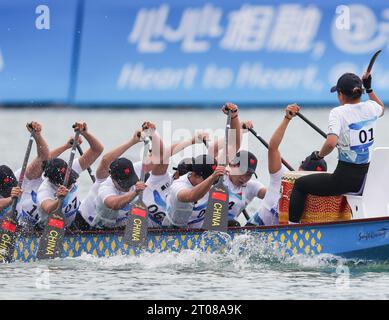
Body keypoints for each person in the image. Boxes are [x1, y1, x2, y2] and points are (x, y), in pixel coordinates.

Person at [288, 72, 385, 223]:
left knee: (300, 185)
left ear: (340, 94)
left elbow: (331, 143)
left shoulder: (338, 112)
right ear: (360, 92)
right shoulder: (371, 107)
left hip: (345, 181)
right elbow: (381, 108)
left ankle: (291, 230)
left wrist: (319, 156)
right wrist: (370, 88)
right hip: (367, 179)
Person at [77, 122, 209, 230]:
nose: (129, 185)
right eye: (125, 184)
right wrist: (132, 142)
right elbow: (113, 203)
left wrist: (153, 134)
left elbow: (162, 155)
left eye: (131, 181)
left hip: (117, 227)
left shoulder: (138, 170)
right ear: (113, 179)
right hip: (85, 224)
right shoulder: (105, 186)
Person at [247, 104, 327, 226]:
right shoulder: (282, 175)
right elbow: (273, 147)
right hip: (258, 225)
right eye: (307, 175)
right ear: (300, 168)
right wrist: (287, 119)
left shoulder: (318, 195)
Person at [37, 122, 104, 228]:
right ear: (53, 182)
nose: (71, 183)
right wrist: (58, 200)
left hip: (75, 222)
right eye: (67, 183)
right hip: (50, 228)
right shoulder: (45, 189)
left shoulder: (72, 168)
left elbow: (97, 150)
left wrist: (85, 133)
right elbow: (48, 208)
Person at [0, 122, 49, 230]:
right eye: (6, 191)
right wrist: (10, 199)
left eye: (12, 187)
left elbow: (43, 158)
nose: (12, 190)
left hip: (21, 228)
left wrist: (37, 136)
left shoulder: (19, 178)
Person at [162, 154, 226, 228]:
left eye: (213, 181)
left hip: (198, 229)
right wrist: (212, 178)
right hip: (173, 229)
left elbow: (230, 150)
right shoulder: (178, 186)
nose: (210, 184)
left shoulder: (204, 178)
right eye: (207, 180)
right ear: (196, 175)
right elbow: (191, 196)